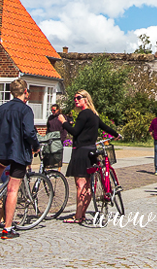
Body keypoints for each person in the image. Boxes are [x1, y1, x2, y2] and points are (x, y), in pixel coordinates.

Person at [0, 79, 40, 239]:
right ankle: (7, 228)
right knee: (12, 190)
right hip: (18, 152)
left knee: (0, 165)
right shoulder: (26, 110)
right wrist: (36, 146)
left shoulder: (2, 108)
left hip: (3, 149)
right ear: (25, 92)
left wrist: (3, 134)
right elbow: (29, 132)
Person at [61, 89, 120, 224]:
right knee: (87, 186)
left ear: (86, 99)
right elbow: (105, 127)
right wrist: (116, 134)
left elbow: (74, 131)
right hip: (91, 152)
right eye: (75, 98)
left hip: (81, 152)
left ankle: (78, 216)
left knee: (81, 185)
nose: (76, 100)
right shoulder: (94, 115)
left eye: (79, 98)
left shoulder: (84, 114)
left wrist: (63, 122)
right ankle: (81, 214)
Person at [44, 103, 67, 169]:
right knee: (49, 154)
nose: (52, 112)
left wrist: (62, 139)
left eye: (54, 110)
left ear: (58, 110)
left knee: (58, 155)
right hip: (51, 139)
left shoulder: (62, 117)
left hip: (58, 139)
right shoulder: (50, 118)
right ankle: (48, 168)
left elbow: (65, 129)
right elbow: (48, 128)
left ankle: (58, 170)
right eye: (51, 110)